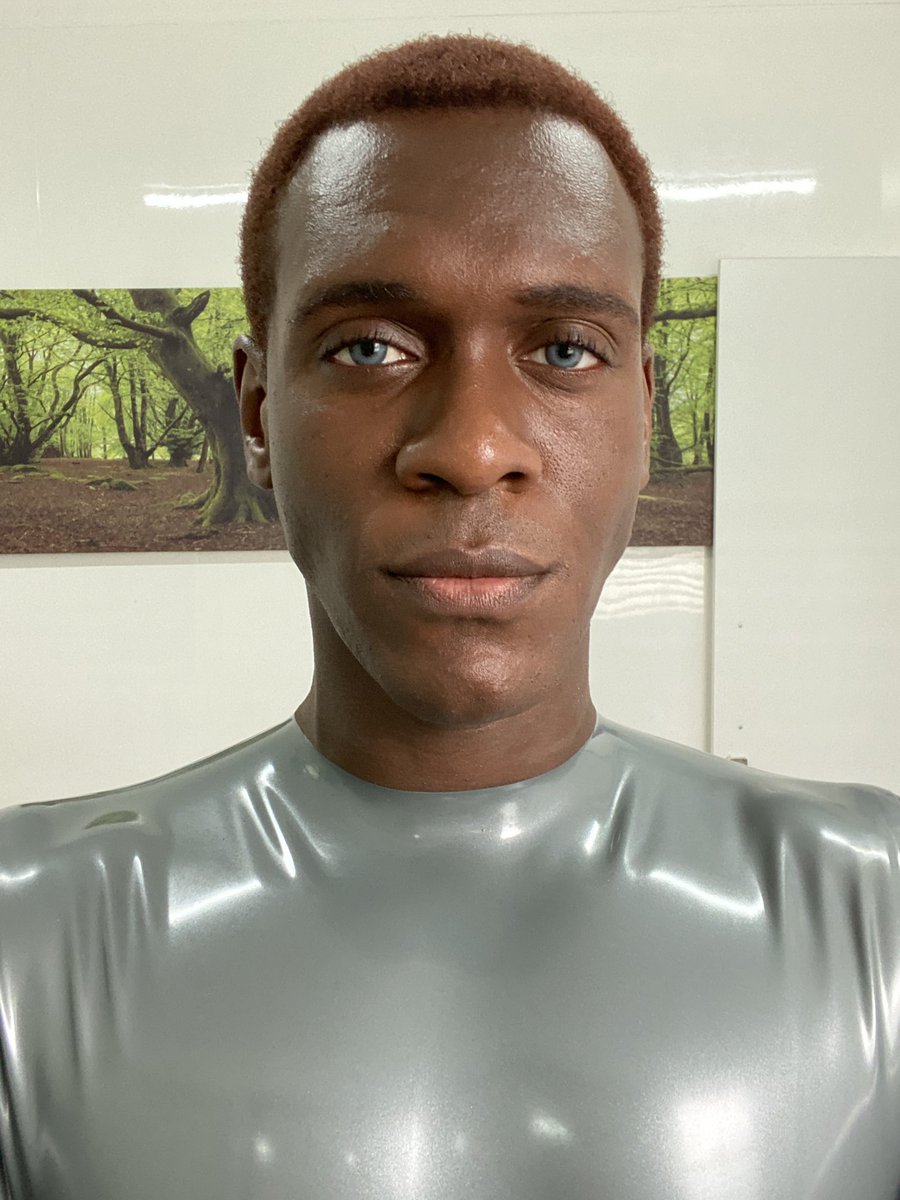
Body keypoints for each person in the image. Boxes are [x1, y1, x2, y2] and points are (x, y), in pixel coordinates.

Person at [1, 34, 898, 1200]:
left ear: (643, 415)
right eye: (370, 347)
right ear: (258, 417)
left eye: (565, 349)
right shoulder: (29, 936)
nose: (473, 448)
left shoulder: (874, 907)